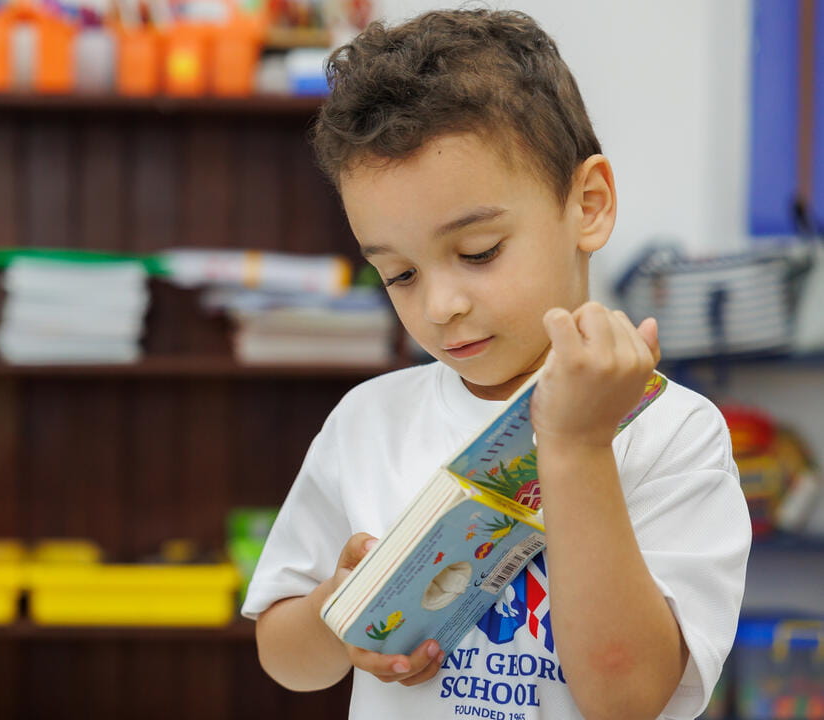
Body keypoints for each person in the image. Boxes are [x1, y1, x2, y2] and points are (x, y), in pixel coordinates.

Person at [242, 8, 751, 719]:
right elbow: (283, 657)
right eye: (400, 276)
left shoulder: (673, 432)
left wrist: (575, 444)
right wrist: (342, 614)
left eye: (478, 253)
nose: (441, 305)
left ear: (589, 205)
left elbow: (628, 698)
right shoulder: (368, 422)